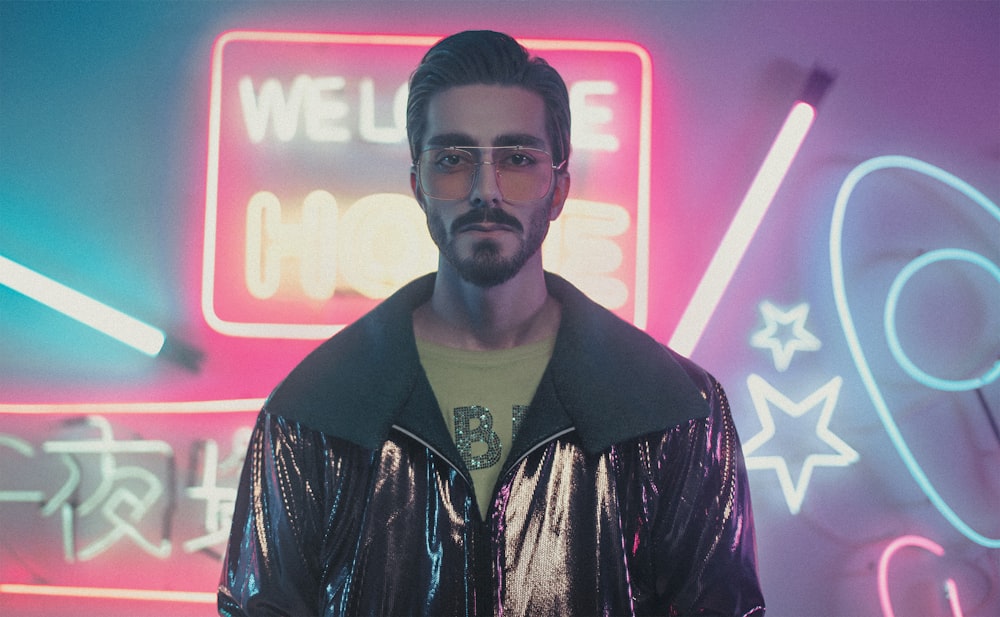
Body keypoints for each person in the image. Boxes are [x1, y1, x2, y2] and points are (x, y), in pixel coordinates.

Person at [219, 30, 765, 616]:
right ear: (417, 185)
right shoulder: (314, 411)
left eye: (517, 160)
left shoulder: (676, 410)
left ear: (559, 188)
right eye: (453, 160)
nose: (486, 191)